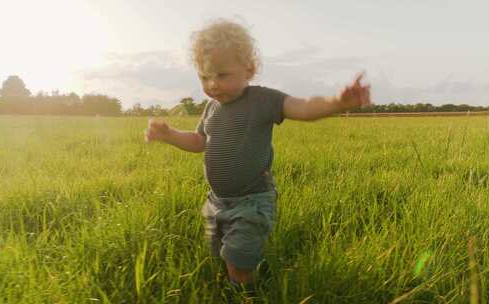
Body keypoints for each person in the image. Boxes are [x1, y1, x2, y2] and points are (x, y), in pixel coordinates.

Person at [144, 19, 371, 293]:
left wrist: (337, 102)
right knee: (221, 255)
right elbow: (198, 141)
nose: (213, 84)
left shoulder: (263, 101)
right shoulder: (211, 108)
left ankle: (246, 294)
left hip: (252, 200)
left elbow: (304, 107)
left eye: (222, 75)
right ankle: (239, 275)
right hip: (216, 202)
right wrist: (169, 135)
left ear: (248, 70)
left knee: (239, 261)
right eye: (204, 77)